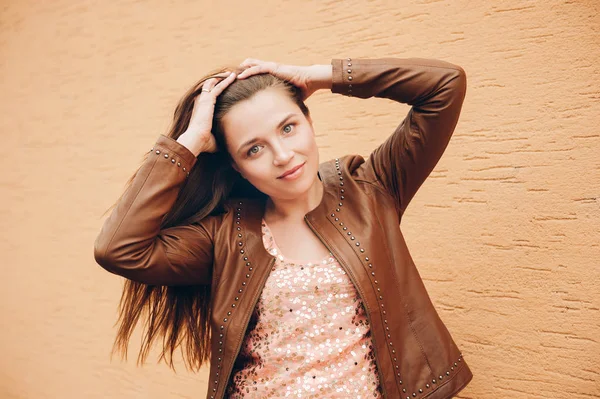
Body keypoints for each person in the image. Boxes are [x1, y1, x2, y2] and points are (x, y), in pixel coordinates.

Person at [94, 56, 471, 399]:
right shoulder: (226, 234)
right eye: (253, 149)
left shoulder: (372, 189)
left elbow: (445, 86)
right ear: (236, 166)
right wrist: (188, 143)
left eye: (288, 128)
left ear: (309, 120)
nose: (283, 155)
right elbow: (119, 249)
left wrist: (319, 77)